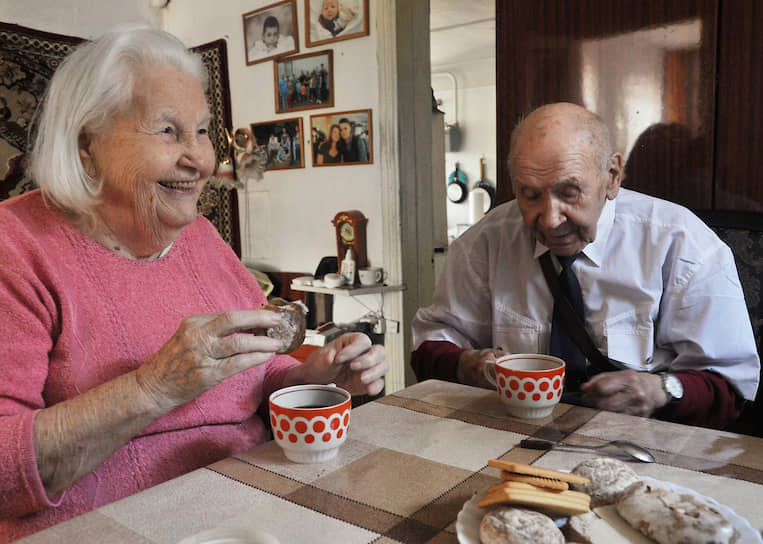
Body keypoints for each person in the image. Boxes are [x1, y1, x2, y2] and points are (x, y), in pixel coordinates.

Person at [0, 25, 388, 541]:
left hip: (253, 506)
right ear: (85, 143)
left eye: (203, 130)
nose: (202, 160)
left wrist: (315, 379)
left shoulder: (201, 237)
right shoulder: (17, 247)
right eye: (167, 131)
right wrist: (153, 388)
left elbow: (259, 373)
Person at [411, 102, 759, 430]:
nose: (549, 220)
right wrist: (461, 364)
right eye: (530, 195)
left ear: (612, 176)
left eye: (570, 192)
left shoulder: (680, 243)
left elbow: (732, 389)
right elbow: (427, 350)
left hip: (646, 451)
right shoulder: (484, 244)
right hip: (513, 440)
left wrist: (661, 390)